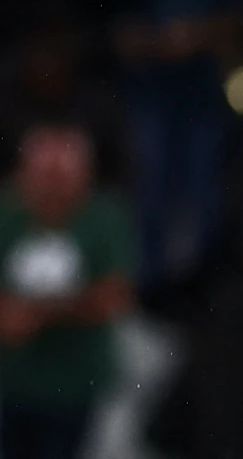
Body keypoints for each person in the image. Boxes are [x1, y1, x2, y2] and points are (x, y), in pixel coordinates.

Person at [0, 122, 134, 459]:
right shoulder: (6, 215)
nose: (52, 190)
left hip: (74, 386)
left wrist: (37, 313)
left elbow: (115, 296)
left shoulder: (104, 218)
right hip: (10, 383)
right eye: (45, 177)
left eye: (61, 178)